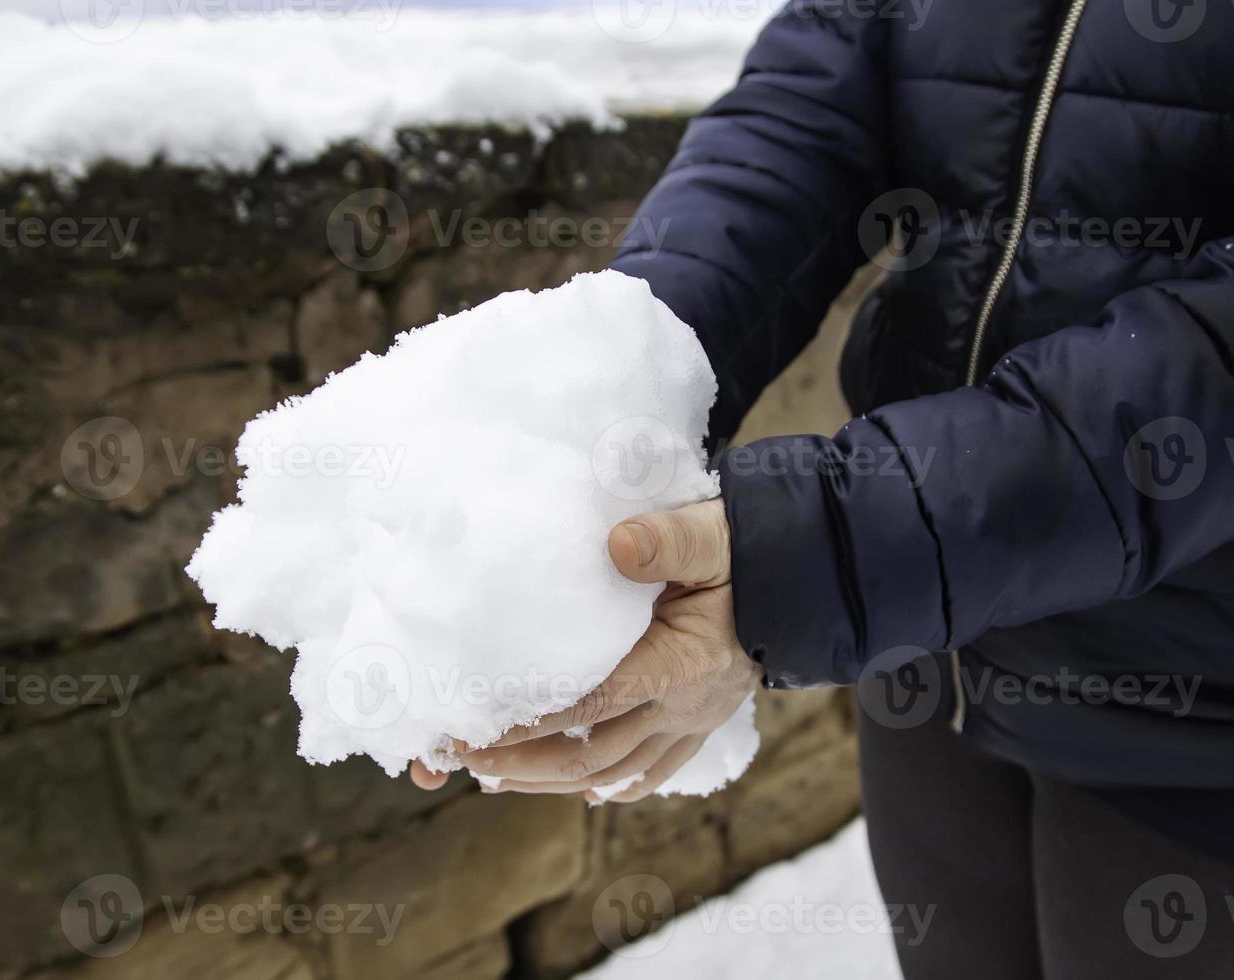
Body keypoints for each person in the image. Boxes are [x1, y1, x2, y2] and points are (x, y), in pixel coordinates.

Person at [411, 2, 1234, 976]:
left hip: (1186, 718)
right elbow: (808, 109)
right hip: (927, 656)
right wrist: (620, 393)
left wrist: (810, 556)